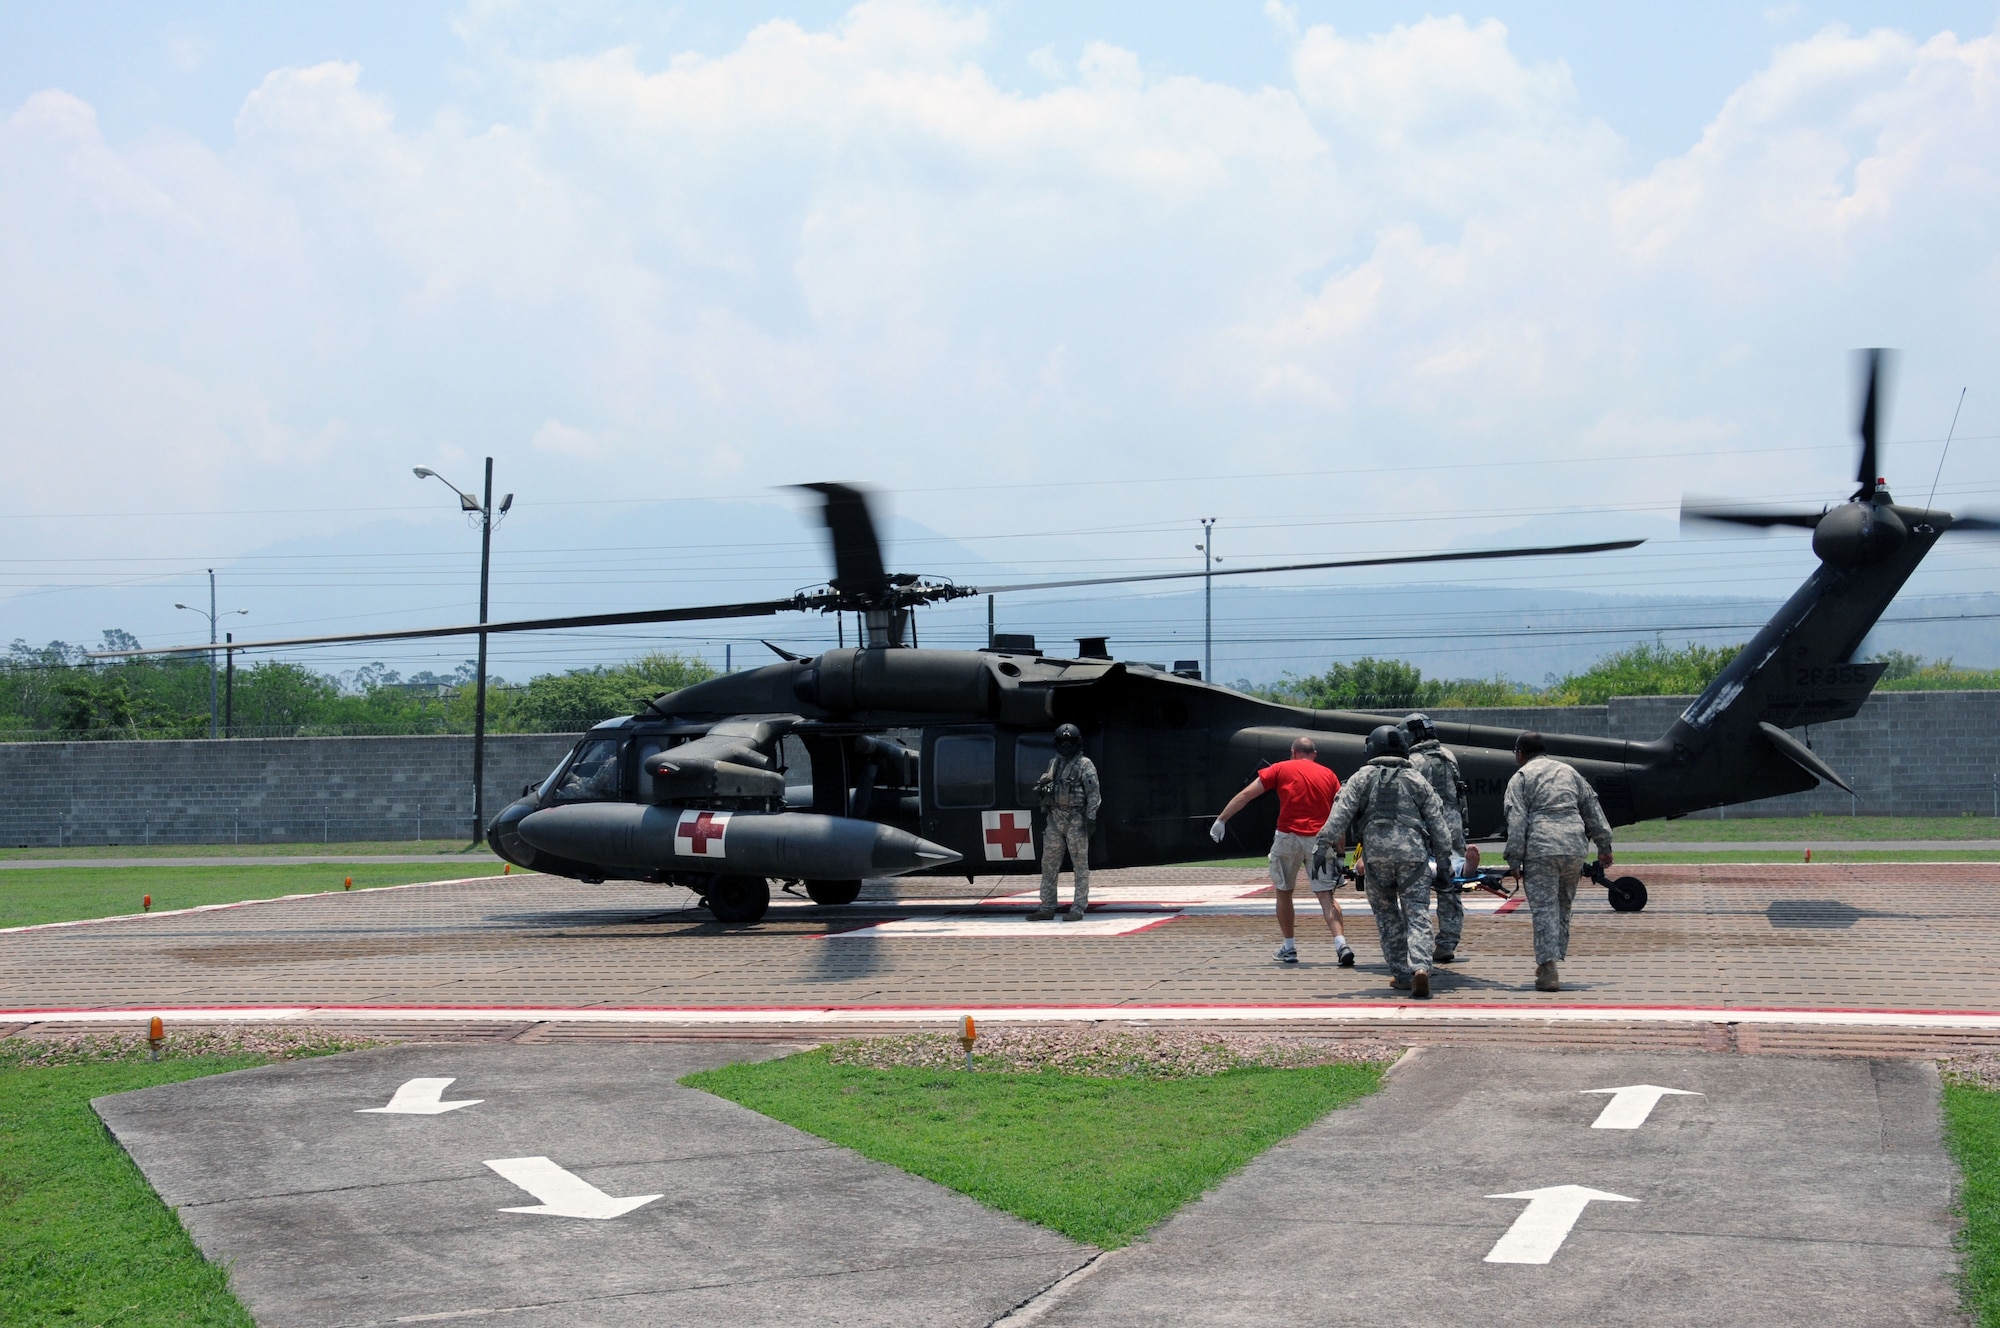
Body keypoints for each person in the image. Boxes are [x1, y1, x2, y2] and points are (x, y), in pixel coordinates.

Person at [1316, 725, 1454, 998]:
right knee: (1417, 913)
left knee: (1387, 915)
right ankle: (1421, 968)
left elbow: (1339, 815)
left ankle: (1402, 974)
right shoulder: (1416, 779)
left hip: (1376, 859)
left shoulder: (1361, 778)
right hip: (1413, 857)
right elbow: (1439, 824)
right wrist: (1444, 861)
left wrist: (1322, 845)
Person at [1210, 735, 1355, 967]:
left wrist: (1221, 820)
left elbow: (1246, 794)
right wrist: (1339, 854)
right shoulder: (1329, 775)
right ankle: (1341, 944)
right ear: (1314, 754)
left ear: (1292, 752)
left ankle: (1289, 947)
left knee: (1284, 892)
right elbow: (1339, 817)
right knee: (1326, 896)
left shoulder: (1279, 769)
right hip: (1319, 840)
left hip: (1287, 838)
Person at [1501, 731, 1614, 992]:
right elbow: (1592, 808)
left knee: (1543, 909)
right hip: (1574, 846)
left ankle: (1548, 966)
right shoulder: (1569, 772)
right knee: (1563, 905)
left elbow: (1516, 819)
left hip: (1541, 848)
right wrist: (1604, 845)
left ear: (1520, 754)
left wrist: (1514, 858)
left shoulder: (1520, 778)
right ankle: (1551, 960)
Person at [1403, 713, 1471, 963]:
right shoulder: (1449, 756)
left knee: (1416, 882)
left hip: (1426, 824)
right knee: (1450, 882)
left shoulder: (1412, 762)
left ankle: (1416, 939)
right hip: (1452, 824)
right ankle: (1448, 940)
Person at [1031, 723, 1101, 921]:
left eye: (1070, 742)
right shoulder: (1055, 763)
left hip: (1076, 819)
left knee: (1080, 866)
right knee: (1049, 864)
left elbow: (1093, 794)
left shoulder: (1085, 765)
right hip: (1054, 818)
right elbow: (1046, 781)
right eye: (1063, 741)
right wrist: (1043, 788)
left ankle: (1078, 908)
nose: (1066, 745)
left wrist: (1091, 818)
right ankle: (1047, 906)